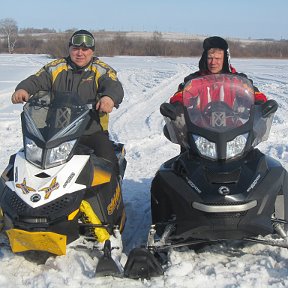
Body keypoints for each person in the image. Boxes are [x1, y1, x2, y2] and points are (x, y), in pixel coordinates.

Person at [11, 29, 124, 176]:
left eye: (85, 49)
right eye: (75, 48)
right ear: (69, 49)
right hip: (55, 131)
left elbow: (113, 85)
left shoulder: (101, 70)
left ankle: (114, 195)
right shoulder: (56, 68)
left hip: (91, 131)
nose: (80, 53)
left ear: (92, 51)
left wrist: (109, 97)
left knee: (107, 164)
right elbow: (36, 80)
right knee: (25, 161)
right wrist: (23, 89)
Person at [170, 36, 267, 105]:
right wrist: (177, 105)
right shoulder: (195, 80)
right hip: (199, 128)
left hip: (233, 127)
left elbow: (254, 94)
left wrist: (260, 102)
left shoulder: (237, 80)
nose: (213, 62)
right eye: (210, 58)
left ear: (224, 60)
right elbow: (181, 95)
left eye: (218, 59)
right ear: (204, 59)